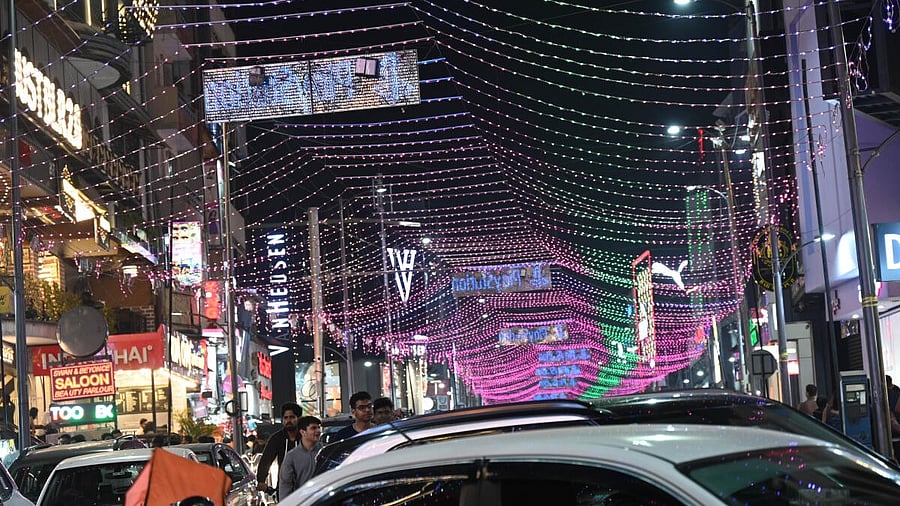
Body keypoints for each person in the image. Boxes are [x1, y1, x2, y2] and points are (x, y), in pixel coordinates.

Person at [256, 402, 302, 496]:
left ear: (298, 418)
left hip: (305, 486)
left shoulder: (305, 437)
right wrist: (261, 480)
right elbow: (266, 460)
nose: (288, 420)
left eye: (292, 417)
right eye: (286, 418)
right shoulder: (277, 438)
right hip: (284, 487)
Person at [278, 416, 322, 499]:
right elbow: (286, 484)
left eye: (318, 427)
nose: (318, 431)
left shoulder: (325, 452)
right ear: (303, 432)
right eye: (313, 428)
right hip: (303, 501)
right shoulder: (291, 457)